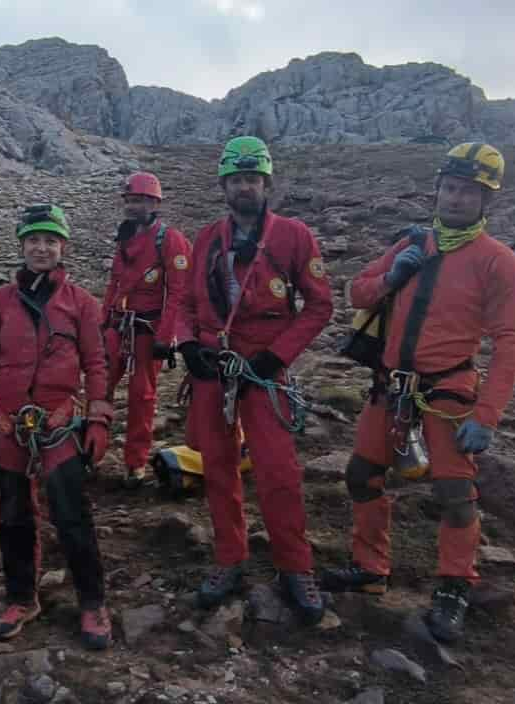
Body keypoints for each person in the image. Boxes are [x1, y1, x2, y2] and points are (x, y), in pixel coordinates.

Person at [321, 143, 515, 643]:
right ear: (438, 189)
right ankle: (371, 568)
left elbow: (510, 341)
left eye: (470, 192)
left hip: (449, 394)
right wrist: (394, 274)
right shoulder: (413, 241)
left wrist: (488, 414)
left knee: (455, 495)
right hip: (390, 389)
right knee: (361, 476)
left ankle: (455, 587)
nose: (456, 199)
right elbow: (359, 292)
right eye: (450, 188)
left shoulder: (498, 263)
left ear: (486, 201)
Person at [175, 136, 333, 624]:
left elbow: (320, 304)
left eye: (253, 179)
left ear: (266, 183)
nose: (245, 187)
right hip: (213, 370)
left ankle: (295, 565)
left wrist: (275, 356)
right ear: (224, 184)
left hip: (264, 372)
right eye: (237, 179)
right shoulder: (206, 238)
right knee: (217, 467)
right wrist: (186, 345)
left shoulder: (294, 236)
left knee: (278, 471)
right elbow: (183, 302)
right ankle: (230, 558)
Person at [0, 204, 114, 650]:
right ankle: (22, 598)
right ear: (22, 246)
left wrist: (98, 417)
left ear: (62, 247)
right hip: (8, 427)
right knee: (14, 516)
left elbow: (97, 362)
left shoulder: (82, 303)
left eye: (50, 240)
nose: (41, 248)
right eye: (33, 240)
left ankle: (92, 602)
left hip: (60, 424)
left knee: (71, 515)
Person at [101, 171, 191, 488]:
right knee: (100, 386)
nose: (132, 206)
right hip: (119, 324)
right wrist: (103, 324)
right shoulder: (124, 238)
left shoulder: (169, 240)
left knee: (142, 395)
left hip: (148, 329)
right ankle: (90, 449)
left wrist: (166, 338)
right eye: (129, 200)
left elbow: (179, 291)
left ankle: (135, 463)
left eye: (138, 200)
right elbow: (114, 283)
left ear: (154, 203)